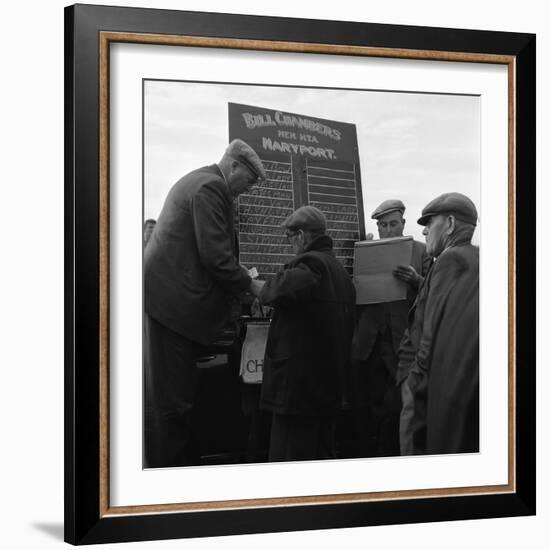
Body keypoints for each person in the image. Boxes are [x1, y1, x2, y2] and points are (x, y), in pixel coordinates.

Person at [143, 139, 267, 468]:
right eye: (250, 180)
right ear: (234, 166)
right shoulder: (212, 187)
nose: (250, 189)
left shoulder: (199, 182)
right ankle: (165, 480)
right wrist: (253, 287)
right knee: (172, 405)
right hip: (174, 311)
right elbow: (216, 257)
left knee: (173, 400)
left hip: (169, 307)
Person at [258, 206, 356, 462]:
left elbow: (277, 291)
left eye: (290, 237)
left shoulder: (312, 264)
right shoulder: (340, 272)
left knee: (290, 461)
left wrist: (251, 284)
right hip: (326, 390)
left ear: (301, 235)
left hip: (299, 394)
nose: (290, 244)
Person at [398, 192, 479, 455]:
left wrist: (413, 385)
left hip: (427, 387)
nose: (424, 233)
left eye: (429, 224)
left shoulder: (450, 259)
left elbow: (430, 337)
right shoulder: (474, 258)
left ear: (451, 224)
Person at [349, 199, 431, 457]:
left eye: (393, 224)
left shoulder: (421, 251)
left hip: (401, 343)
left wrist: (417, 280)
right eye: (383, 225)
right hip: (368, 342)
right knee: (365, 404)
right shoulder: (367, 250)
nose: (388, 230)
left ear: (403, 224)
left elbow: (436, 291)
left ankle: (393, 453)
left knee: (396, 406)